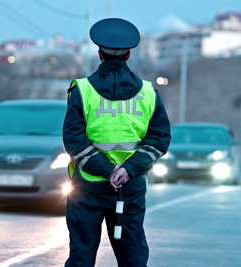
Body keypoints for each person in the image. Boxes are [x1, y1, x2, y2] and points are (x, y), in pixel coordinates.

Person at [63, 18, 171, 267]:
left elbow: (73, 140)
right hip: (129, 189)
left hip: (86, 190)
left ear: (99, 53)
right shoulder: (148, 93)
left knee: (81, 257)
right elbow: (159, 139)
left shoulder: (82, 90)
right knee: (132, 258)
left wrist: (105, 170)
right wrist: (126, 170)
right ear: (129, 54)